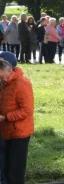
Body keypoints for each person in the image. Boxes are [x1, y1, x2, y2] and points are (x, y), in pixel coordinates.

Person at [0, 51, 34, 184]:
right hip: (6, 132)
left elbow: (27, 110)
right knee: (7, 170)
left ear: (8, 69)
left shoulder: (21, 83)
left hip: (19, 133)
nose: (0, 79)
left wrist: (6, 117)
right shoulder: (4, 83)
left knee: (15, 172)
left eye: (1, 76)